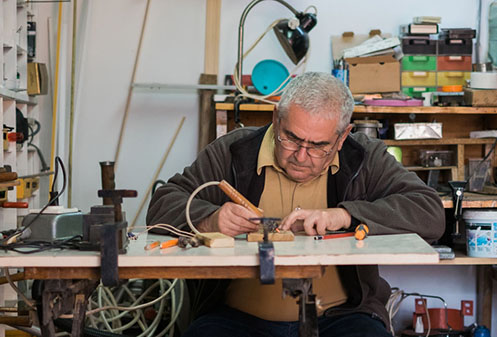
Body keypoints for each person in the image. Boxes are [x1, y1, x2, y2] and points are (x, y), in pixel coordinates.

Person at [146, 72, 445, 337]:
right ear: (276, 118)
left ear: (342, 137)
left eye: (318, 147)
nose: (301, 156)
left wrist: (345, 216)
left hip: (341, 318)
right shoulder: (234, 151)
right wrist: (210, 220)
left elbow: (429, 212)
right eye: (290, 138)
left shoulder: (364, 157)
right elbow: (162, 205)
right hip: (236, 319)